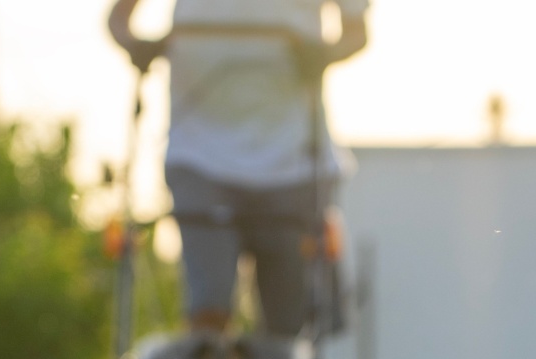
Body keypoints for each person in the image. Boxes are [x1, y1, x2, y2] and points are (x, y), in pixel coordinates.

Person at [108, 0, 370, 339]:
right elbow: (118, 18)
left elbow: (356, 32)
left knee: (287, 330)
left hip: (293, 163)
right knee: (207, 317)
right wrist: (137, 44)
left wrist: (324, 53)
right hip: (199, 156)